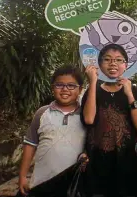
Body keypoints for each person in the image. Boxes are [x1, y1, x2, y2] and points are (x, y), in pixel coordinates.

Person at [81, 43, 137, 197]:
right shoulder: (93, 90)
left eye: (119, 60)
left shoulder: (134, 91)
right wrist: (93, 82)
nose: (113, 63)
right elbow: (88, 119)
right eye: (107, 59)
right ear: (99, 64)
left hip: (128, 166)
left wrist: (130, 95)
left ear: (126, 65)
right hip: (97, 166)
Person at [18, 65, 87, 195]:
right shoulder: (42, 113)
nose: (65, 89)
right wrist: (22, 176)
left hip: (71, 185)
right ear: (52, 88)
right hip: (41, 183)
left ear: (80, 90)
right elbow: (30, 144)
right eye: (59, 85)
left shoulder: (86, 116)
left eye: (71, 86)